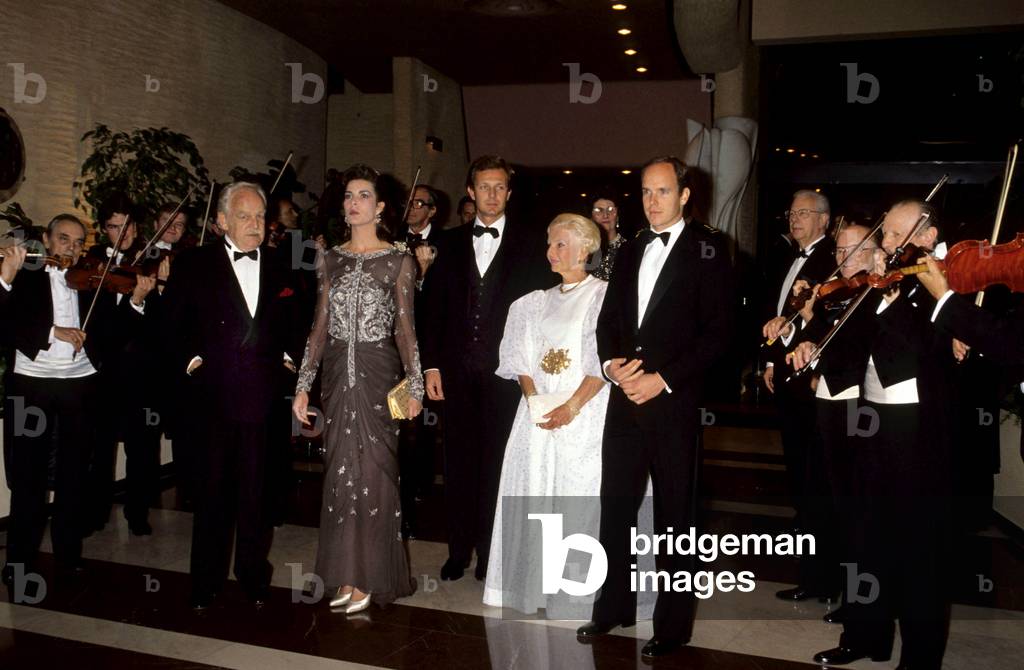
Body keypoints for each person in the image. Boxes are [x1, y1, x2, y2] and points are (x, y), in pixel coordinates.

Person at [577, 156, 733, 659]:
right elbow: (608, 322)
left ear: (685, 195)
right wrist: (611, 366)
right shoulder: (629, 249)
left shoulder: (710, 248)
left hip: (674, 402)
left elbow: (719, 334)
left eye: (662, 192)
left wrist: (662, 379)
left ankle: (672, 623)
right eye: (645, 191)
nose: (651, 201)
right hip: (624, 400)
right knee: (616, 506)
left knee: (675, 516)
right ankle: (614, 605)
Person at [807, 200, 955, 669]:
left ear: (927, 237)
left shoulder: (947, 282)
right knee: (865, 532)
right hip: (871, 421)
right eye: (886, 235)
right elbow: (851, 346)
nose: (886, 245)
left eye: (893, 235)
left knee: (917, 548)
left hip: (918, 431)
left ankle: (920, 655)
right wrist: (814, 340)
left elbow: (924, 348)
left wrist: (888, 300)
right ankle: (865, 633)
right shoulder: (884, 284)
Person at [161, 181, 303, 609]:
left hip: (263, 401)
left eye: (260, 216)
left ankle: (254, 575)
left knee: (258, 496)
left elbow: (298, 325)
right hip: (212, 402)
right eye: (244, 216)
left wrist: (290, 364)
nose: (255, 225)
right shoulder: (192, 265)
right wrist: (192, 363)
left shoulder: (284, 268)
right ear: (221, 221)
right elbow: (169, 327)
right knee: (212, 495)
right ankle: (205, 582)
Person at [292, 164, 423, 614]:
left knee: (375, 477)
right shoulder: (329, 259)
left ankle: (370, 577)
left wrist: (416, 384)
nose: (354, 202)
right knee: (340, 477)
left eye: (364, 195)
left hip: (378, 374)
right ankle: (347, 577)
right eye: (349, 195)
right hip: (335, 377)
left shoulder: (399, 259)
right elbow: (318, 326)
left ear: (380, 206)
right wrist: (303, 385)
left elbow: (406, 330)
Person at [421, 155, 554, 582]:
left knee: (499, 464)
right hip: (457, 374)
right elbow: (433, 312)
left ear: (509, 193)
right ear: (471, 192)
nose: (492, 194)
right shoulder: (448, 242)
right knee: (457, 464)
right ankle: (458, 550)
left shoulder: (533, 244)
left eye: (500, 187)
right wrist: (431, 366)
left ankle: (491, 551)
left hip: (508, 377)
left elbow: (544, 314)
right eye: (484, 187)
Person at [0, 215, 152, 587]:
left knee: (74, 475)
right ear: (47, 240)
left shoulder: (90, 281)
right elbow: (6, 323)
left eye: (78, 241)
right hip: (32, 383)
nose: (71, 247)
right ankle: (18, 562)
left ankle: (69, 555)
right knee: (28, 477)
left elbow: (111, 337)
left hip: (79, 385)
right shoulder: (26, 274)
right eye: (64, 239)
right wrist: (7, 278)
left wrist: (134, 300)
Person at [482, 213, 609, 615]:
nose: (551, 252)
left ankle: (575, 590)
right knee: (535, 492)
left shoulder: (604, 296)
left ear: (584, 249)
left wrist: (570, 407)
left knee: (577, 495)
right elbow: (520, 357)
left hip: (584, 412)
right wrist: (536, 399)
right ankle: (532, 585)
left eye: (560, 245)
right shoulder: (533, 302)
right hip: (537, 414)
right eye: (550, 244)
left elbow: (602, 365)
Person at [785, 223, 878, 625]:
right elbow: (820, 337)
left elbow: (860, 350)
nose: (842, 258)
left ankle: (855, 597)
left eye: (852, 250)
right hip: (825, 401)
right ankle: (820, 580)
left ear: (874, 252)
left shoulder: (874, 294)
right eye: (838, 251)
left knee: (852, 508)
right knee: (819, 497)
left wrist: (819, 354)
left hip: (857, 406)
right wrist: (806, 336)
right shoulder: (835, 296)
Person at [759, 190, 836, 602]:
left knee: (815, 479)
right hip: (787, 376)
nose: (795, 218)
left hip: (816, 383)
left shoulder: (835, 258)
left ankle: (821, 576)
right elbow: (780, 317)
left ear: (825, 220)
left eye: (804, 212)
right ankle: (812, 572)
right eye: (792, 212)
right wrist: (772, 362)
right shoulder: (788, 257)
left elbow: (826, 322)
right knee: (800, 477)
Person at [84, 193, 169, 536]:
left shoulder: (153, 262)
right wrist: (133, 301)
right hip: (105, 371)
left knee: (142, 448)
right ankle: (96, 513)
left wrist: (161, 291)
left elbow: (164, 326)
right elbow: (100, 326)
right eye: (113, 227)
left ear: (136, 227)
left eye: (127, 226)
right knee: (100, 449)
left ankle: (138, 513)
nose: (121, 234)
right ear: (104, 229)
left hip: (142, 373)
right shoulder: (92, 265)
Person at [398, 183, 443, 538]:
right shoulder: (392, 240)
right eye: (409, 203)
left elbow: (441, 307)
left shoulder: (448, 242)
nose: (412, 208)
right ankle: (401, 502)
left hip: (428, 351)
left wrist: (427, 274)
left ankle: (420, 487)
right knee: (400, 426)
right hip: (395, 351)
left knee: (425, 427)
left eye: (419, 204)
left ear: (432, 211)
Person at [589, 193, 625, 281]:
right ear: (591, 217)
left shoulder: (629, 248)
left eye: (610, 210)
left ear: (617, 216)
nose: (605, 215)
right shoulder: (585, 248)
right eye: (599, 210)